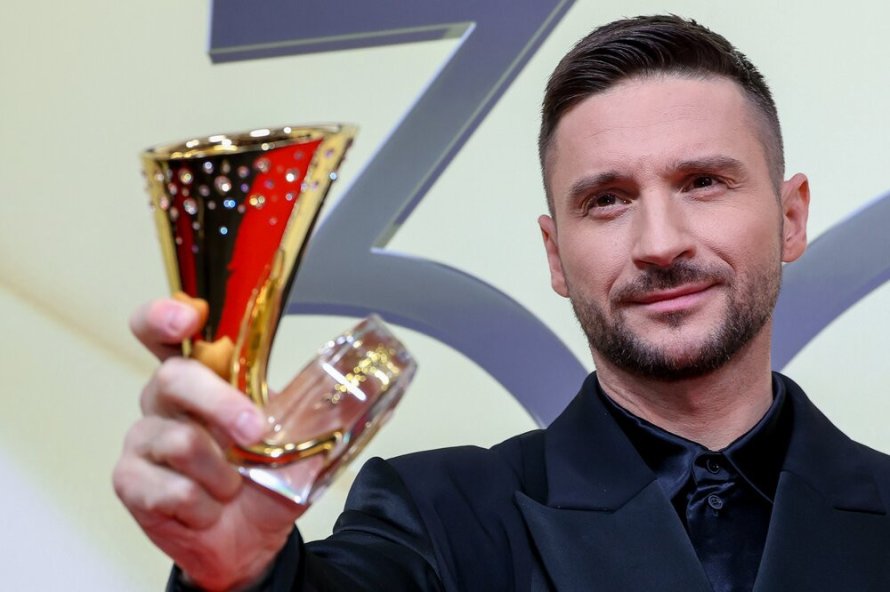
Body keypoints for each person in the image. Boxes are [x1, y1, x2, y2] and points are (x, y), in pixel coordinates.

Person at [114, 15, 890, 592]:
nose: (660, 243)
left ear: (791, 218)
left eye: (702, 182)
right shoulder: (437, 517)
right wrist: (243, 576)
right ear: (556, 255)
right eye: (608, 200)